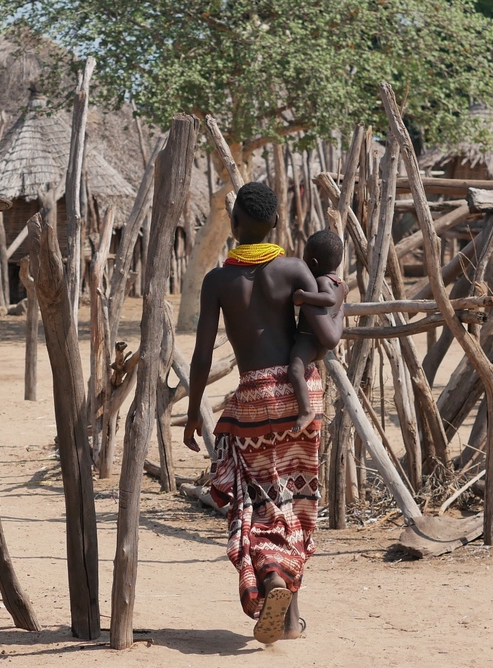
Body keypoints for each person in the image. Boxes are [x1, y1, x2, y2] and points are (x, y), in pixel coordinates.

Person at [182, 182, 329, 644]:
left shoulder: (219, 281)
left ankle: (271, 583)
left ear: (237, 223)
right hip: (304, 392)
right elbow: (323, 331)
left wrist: (192, 411)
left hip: (257, 399)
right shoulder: (294, 269)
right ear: (275, 224)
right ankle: (288, 619)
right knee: (295, 500)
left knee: (263, 501)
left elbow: (203, 356)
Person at [289, 229, 347, 433]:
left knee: (295, 370)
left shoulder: (322, 282)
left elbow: (328, 300)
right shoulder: (340, 283)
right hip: (321, 345)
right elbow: (336, 302)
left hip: (308, 340)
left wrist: (302, 295)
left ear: (312, 263)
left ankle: (305, 410)